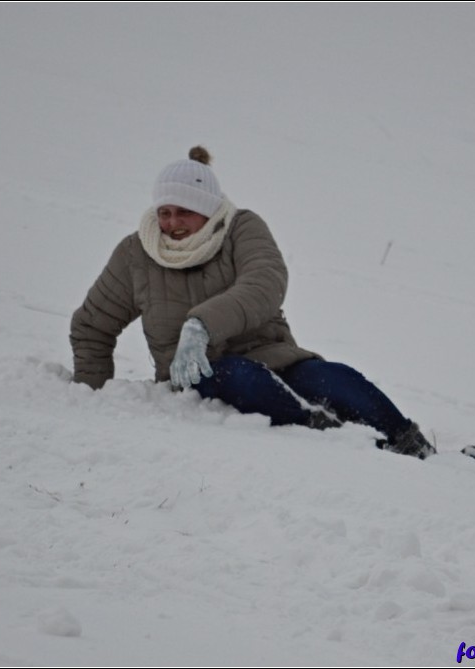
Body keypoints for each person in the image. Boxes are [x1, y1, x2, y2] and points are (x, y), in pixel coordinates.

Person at [69, 146, 436, 459]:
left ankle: (412, 446)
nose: (172, 222)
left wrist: (202, 325)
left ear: (208, 210)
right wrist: (92, 398)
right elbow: (92, 326)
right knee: (239, 376)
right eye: (165, 212)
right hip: (201, 377)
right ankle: (328, 434)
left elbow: (266, 282)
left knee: (335, 377)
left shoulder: (241, 228)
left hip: (275, 357)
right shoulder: (136, 254)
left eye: (185, 212)